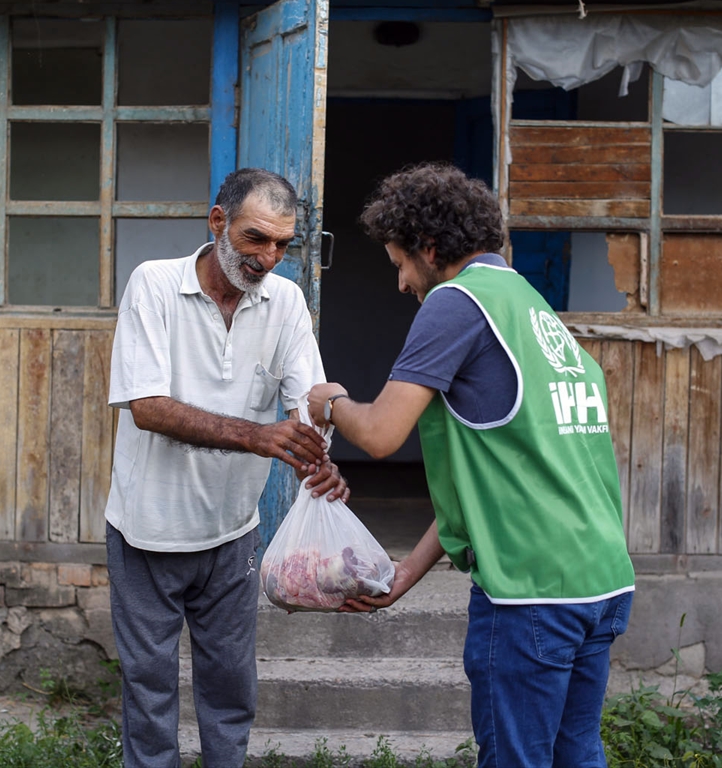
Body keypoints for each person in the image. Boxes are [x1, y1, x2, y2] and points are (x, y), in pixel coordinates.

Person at [307, 163, 635, 768]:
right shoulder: (530, 305)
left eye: (401, 263)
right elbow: (495, 480)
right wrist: (408, 571)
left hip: (529, 593)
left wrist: (329, 403)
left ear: (431, 249)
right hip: (600, 580)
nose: (402, 282)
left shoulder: (455, 302)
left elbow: (379, 435)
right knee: (576, 755)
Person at [106, 167, 348, 768]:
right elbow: (148, 408)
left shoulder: (285, 301)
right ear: (218, 223)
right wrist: (261, 437)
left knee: (231, 690)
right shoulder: (154, 285)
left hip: (233, 532)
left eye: (282, 245)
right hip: (147, 530)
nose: (268, 258)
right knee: (149, 690)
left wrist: (317, 457)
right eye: (255, 239)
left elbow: (308, 399)